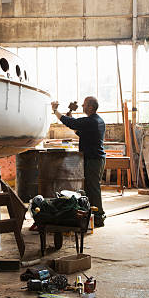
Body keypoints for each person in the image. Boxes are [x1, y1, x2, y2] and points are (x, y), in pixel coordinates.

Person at [51, 96, 106, 227]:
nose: (82, 106)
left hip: (93, 159)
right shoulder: (98, 121)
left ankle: (99, 216)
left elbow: (72, 123)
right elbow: (79, 131)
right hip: (95, 158)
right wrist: (70, 118)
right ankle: (92, 214)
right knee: (90, 187)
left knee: (93, 188)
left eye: (84, 104)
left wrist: (55, 111)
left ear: (91, 107)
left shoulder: (91, 121)